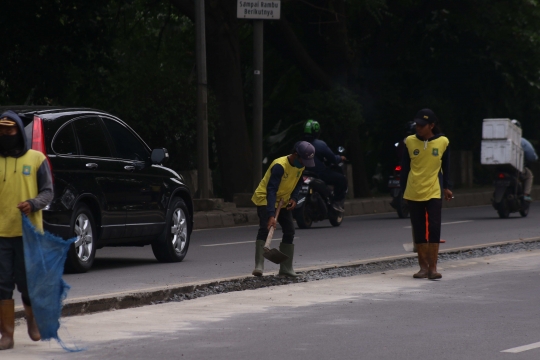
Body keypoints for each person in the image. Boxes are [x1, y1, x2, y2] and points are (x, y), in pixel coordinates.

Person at [0, 110, 54, 350]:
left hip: (28, 234)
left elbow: (48, 192)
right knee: (2, 284)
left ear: (19, 132)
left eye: (10, 130)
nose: (5, 134)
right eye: (1, 130)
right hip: (1, 233)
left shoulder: (36, 159)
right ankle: (7, 335)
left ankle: (32, 319)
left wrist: (33, 204)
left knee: (28, 283)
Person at [400, 109, 452, 280]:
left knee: (435, 227)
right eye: (417, 125)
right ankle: (423, 267)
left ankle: (433, 267)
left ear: (432, 125)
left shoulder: (443, 142)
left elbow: (447, 167)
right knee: (419, 228)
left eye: (422, 126)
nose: (418, 128)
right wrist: (403, 192)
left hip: (434, 190)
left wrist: (447, 187)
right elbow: (405, 169)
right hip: (414, 190)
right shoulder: (409, 142)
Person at [251, 141, 315, 278]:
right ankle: (259, 265)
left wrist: (294, 198)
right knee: (265, 228)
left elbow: (298, 183)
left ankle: (286, 268)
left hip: (283, 200)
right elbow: (271, 190)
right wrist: (271, 215)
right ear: (295, 155)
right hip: (266, 198)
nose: (304, 164)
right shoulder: (280, 166)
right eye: (303, 160)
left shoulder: (300, 167)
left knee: (290, 230)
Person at [302, 120, 347, 212]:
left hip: (301, 174)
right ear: (317, 132)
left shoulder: (298, 144)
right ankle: (337, 202)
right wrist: (340, 157)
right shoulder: (320, 144)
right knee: (341, 179)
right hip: (318, 174)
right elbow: (332, 158)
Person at [511, 119, 538, 202]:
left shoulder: (501, 139)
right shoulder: (522, 141)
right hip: (517, 169)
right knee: (529, 175)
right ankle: (526, 195)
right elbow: (532, 157)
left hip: (500, 168)